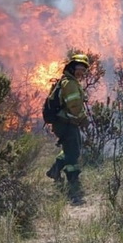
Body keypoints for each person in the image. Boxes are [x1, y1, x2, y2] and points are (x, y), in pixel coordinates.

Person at [45, 53, 91, 200]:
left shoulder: (69, 81)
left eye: (83, 70)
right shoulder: (69, 83)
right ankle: (72, 181)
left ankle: (54, 171)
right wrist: (83, 119)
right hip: (65, 123)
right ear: (71, 67)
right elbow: (74, 105)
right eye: (79, 68)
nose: (81, 72)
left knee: (69, 149)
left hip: (65, 122)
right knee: (73, 152)